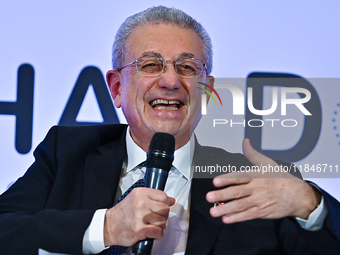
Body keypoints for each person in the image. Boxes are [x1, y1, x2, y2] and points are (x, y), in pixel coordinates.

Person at [0, 6, 339, 255]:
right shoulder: (68, 152)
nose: (171, 81)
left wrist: (311, 206)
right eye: (150, 65)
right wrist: (107, 227)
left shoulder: (254, 181)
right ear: (116, 88)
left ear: (207, 90)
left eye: (188, 67)